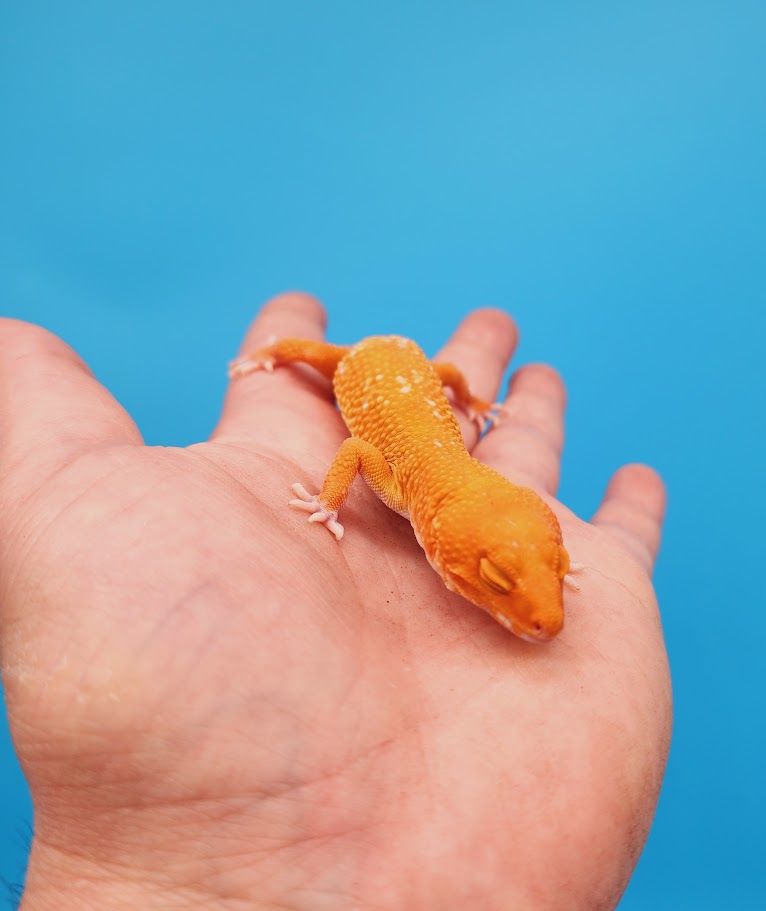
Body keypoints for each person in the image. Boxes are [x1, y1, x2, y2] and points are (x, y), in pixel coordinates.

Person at [0, 293, 671, 910]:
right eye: (497, 579)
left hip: (418, 376)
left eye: (551, 569)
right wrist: (321, 487)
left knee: (449, 380)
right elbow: (353, 445)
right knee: (308, 355)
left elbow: (512, 525)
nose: (542, 614)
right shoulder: (407, 488)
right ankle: (275, 351)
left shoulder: (475, 495)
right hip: (375, 364)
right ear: (436, 537)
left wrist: (534, 556)